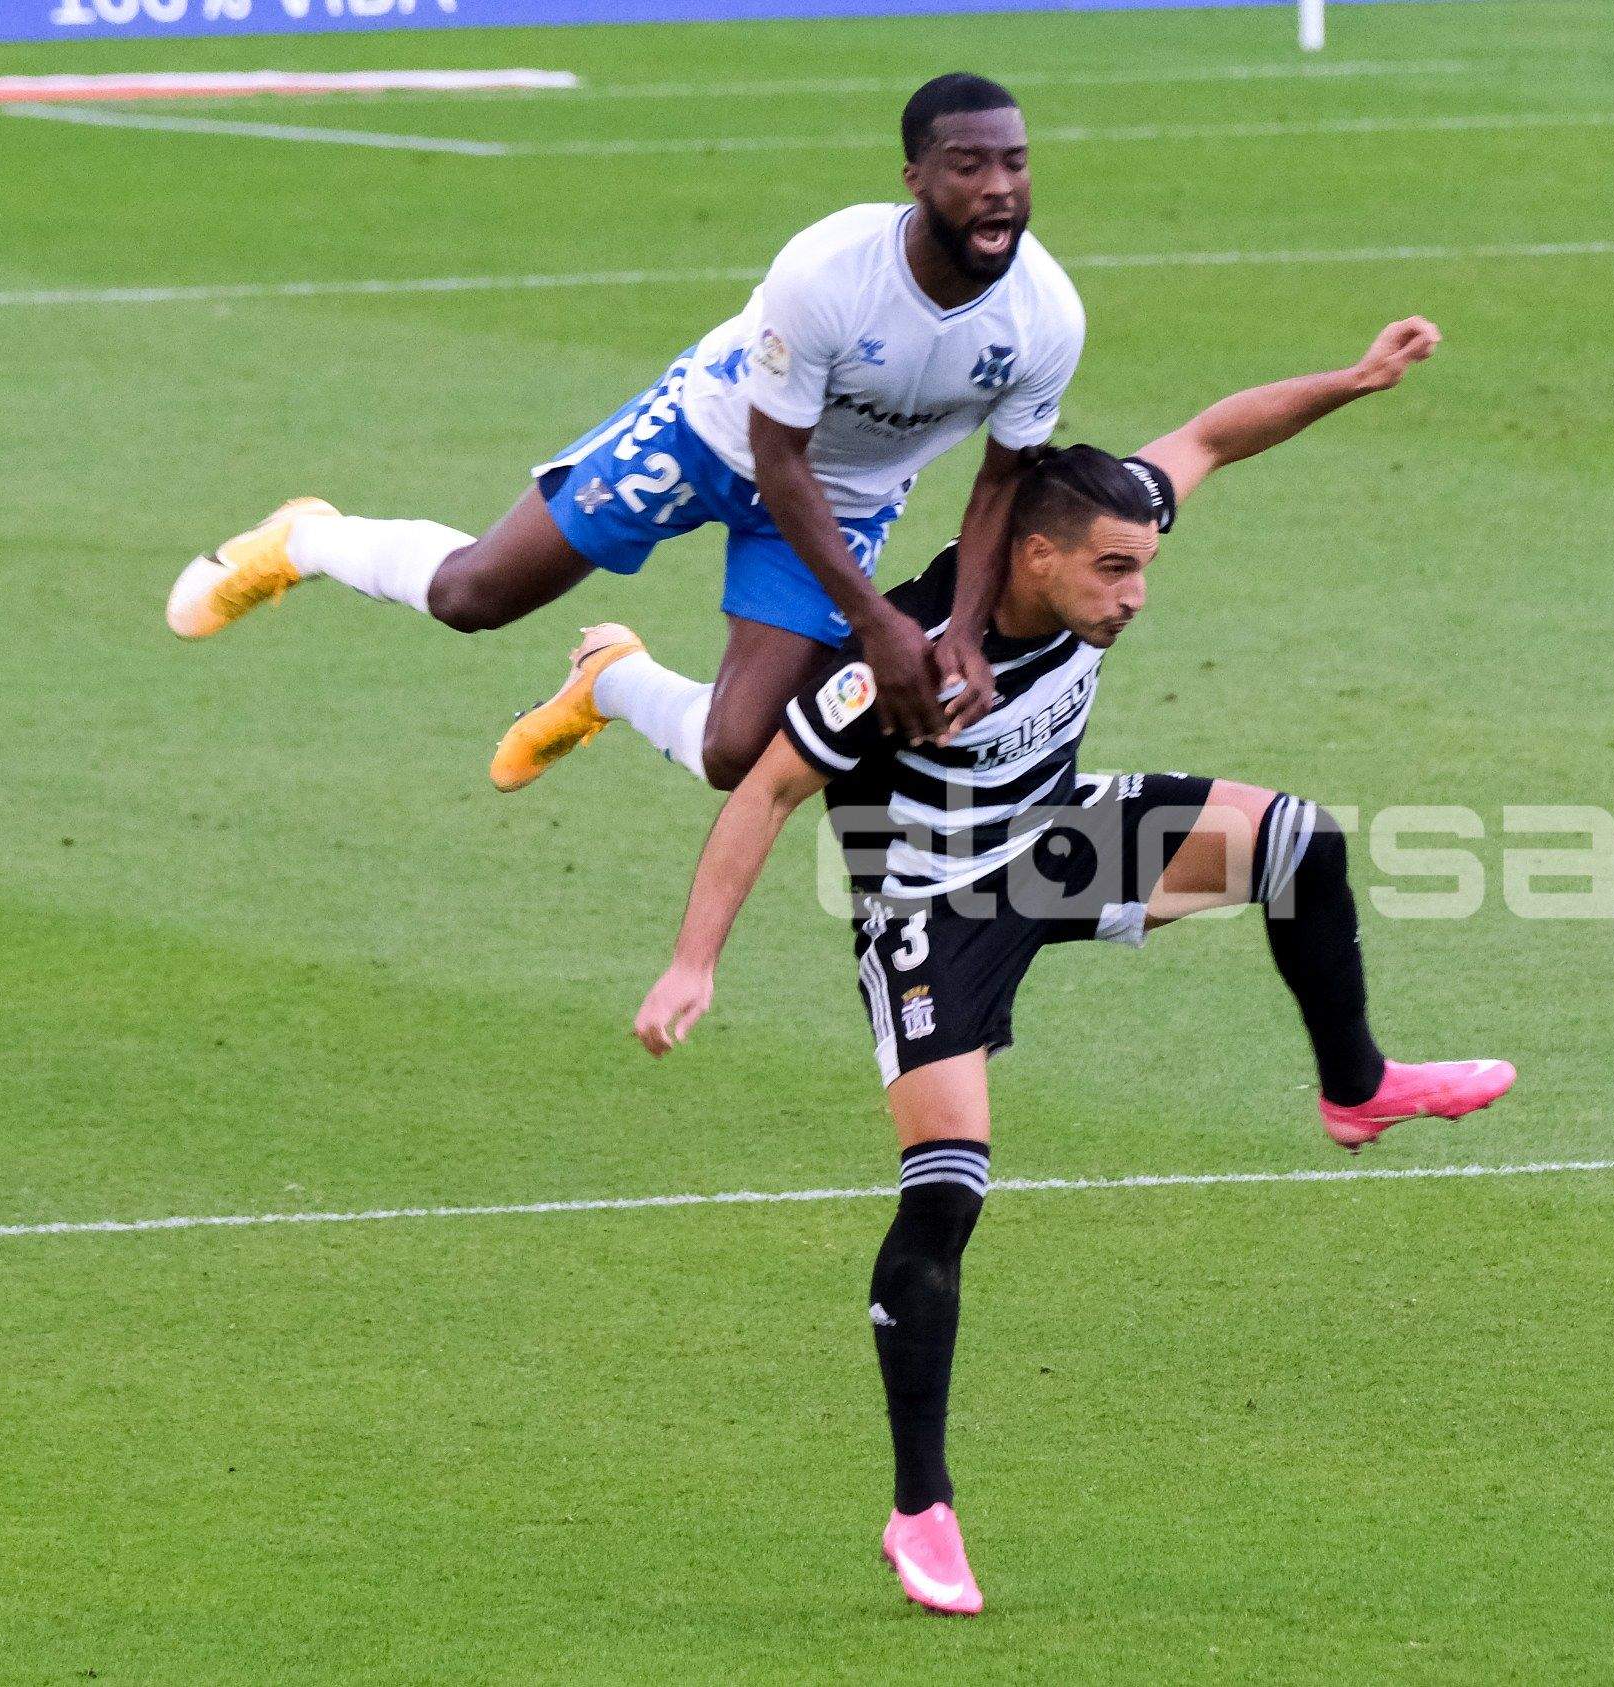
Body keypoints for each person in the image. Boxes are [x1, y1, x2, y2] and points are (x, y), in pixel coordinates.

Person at [630, 317, 1515, 1614]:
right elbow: (765, 790)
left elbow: (1213, 433)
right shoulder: (908, 655)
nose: (1135, 594)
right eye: (1111, 570)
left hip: (1058, 834)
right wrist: (692, 961)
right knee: (945, 1197)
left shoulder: (1103, 521)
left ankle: (1357, 1083)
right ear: (1031, 554)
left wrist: (1352, 378)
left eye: (1144, 565)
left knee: (1300, 846)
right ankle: (920, 1505)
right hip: (931, 905)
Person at [167, 73, 1078, 787]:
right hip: (707, 438)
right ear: (916, 178)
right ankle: (305, 538)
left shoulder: (1047, 317)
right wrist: (877, 621)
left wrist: (960, 626)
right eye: (969, 166)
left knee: (734, 753)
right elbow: (777, 457)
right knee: (472, 596)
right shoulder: (829, 272)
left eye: (1016, 163)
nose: (1000, 189)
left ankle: (608, 679)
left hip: (843, 500)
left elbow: (1001, 481)